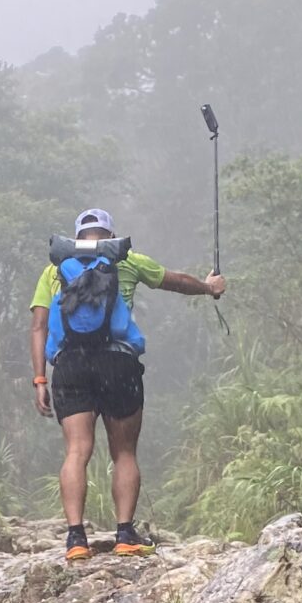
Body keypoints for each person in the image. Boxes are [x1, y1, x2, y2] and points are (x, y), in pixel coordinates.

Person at [29, 209, 223, 562]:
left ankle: (75, 539)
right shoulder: (127, 260)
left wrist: (40, 378)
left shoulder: (53, 270)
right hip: (118, 363)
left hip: (70, 365)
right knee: (124, 452)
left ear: (77, 236)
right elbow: (174, 280)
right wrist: (209, 287)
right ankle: (124, 535)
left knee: (76, 451)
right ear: (109, 234)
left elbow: (39, 326)